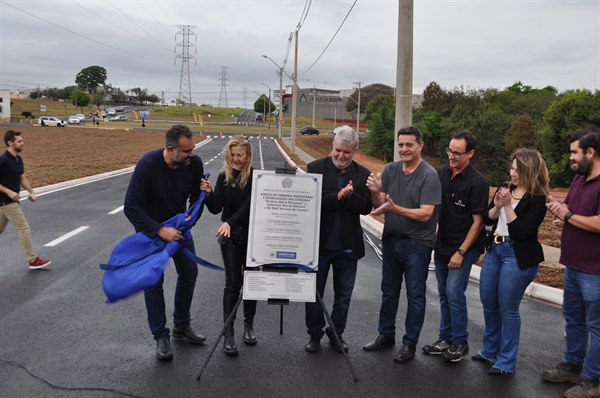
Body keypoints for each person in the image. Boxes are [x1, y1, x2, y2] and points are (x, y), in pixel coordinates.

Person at [124, 124, 206, 360]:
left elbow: (195, 200)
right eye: (187, 150)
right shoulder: (148, 165)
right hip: (151, 231)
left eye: (193, 149)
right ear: (171, 150)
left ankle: (181, 324)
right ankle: (161, 335)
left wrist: (187, 223)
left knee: (190, 273)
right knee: (153, 283)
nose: (193, 154)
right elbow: (131, 206)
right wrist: (160, 230)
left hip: (179, 230)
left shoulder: (194, 164)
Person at [363, 126, 441, 363]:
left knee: (415, 295)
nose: (404, 149)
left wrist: (395, 209)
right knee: (389, 291)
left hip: (417, 245)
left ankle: (409, 343)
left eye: (409, 144)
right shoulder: (391, 169)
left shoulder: (429, 175)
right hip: (390, 240)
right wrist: (376, 192)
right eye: (400, 144)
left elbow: (426, 214)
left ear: (420, 146)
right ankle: (385, 334)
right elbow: (380, 205)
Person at [476, 148, 549, 375]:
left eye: (517, 170)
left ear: (529, 171)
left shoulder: (538, 199)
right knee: (489, 301)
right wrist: (497, 206)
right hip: (495, 250)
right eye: (512, 168)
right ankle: (489, 350)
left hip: (516, 255)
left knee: (508, 308)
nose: (512, 173)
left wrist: (507, 207)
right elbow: (487, 218)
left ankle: (506, 361)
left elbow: (524, 232)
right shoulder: (505, 187)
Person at [542, 127, 600, 398]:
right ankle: (572, 367)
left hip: (595, 270)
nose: (571, 158)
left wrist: (567, 216)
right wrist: (560, 212)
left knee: (596, 326)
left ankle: (593, 380)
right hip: (573, 265)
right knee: (573, 320)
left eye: (575, 152)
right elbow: (573, 211)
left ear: (591, 152)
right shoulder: (579, 179)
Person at [304, 126, 372, 353]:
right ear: (331, 147)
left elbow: (366, 207)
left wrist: (350, 198)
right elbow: (310, 200)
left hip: (347, 249)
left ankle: (336, 333)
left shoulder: (363, 174)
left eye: (347, 152)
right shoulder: (314, 168)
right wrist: (338, 197)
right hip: (320, 246)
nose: (341, 156)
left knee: (344, 296)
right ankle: (314, 334)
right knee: (314, 294)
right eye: (338, 150)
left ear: (355, 152)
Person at [422, 130, 489, 362]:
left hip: (465, 245)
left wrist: (461, 252)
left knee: (454, 292)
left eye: (457, 153)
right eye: (450, 151)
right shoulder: (442, 173)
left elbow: (478, 223)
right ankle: (445, 338)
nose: (452, 156)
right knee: (443, 293)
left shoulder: (477, 183)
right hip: (443, 243)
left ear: (470, 153)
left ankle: (460, 342)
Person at [203, 135, 257, 356]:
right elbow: (216, 208)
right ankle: (229, 333)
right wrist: (207, 195)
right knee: (232, 283)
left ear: (248, 155)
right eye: (233, 155)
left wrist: (229, 221)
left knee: (251, 281)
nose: (236, 159)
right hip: (230, 238)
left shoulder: (255, 177)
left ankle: (249, 325)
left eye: (240, 155)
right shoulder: (223, 177)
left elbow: (248, 205)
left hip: (252, 237)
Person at [0, 130, 51, 270]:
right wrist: (9, 192)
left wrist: (31, 192)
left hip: (8, 202)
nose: (23, 143)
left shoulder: (18, 159)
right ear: (10, 143)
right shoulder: (3, 160)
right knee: (24, 228)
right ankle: (33, 260)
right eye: (19, 141)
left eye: (22, 141)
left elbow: (22, 178)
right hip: (6, 201)